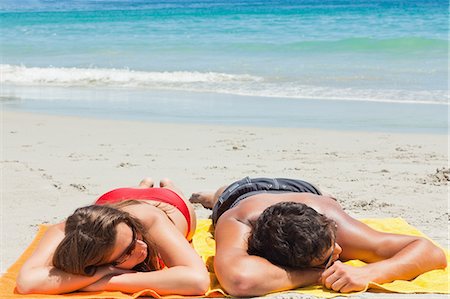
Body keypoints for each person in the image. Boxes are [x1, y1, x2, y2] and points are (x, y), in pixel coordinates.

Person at [190, 177, 447, 297]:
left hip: (306, 192)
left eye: (332, 243)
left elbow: (430, 251)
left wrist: (369, 273)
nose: (338, 252)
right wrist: (318, 276)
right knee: (220, 195)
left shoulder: (334, 226)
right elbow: (240, 281)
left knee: (327, 197)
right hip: (239, 195)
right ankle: (210, 196)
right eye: (326, 259)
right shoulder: (237, 222)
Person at [17, 178, 209, 295]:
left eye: (134, 236)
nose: (141, 246)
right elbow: (26, 282)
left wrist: (104, 281)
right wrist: (102, 272)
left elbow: (197, 281)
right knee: (140, 196)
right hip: (114, 200)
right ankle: (143, 185)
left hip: (167, 203)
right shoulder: (70, 230)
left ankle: (167, 186)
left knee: (170, 190)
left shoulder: (150, 221)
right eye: (127, 252)